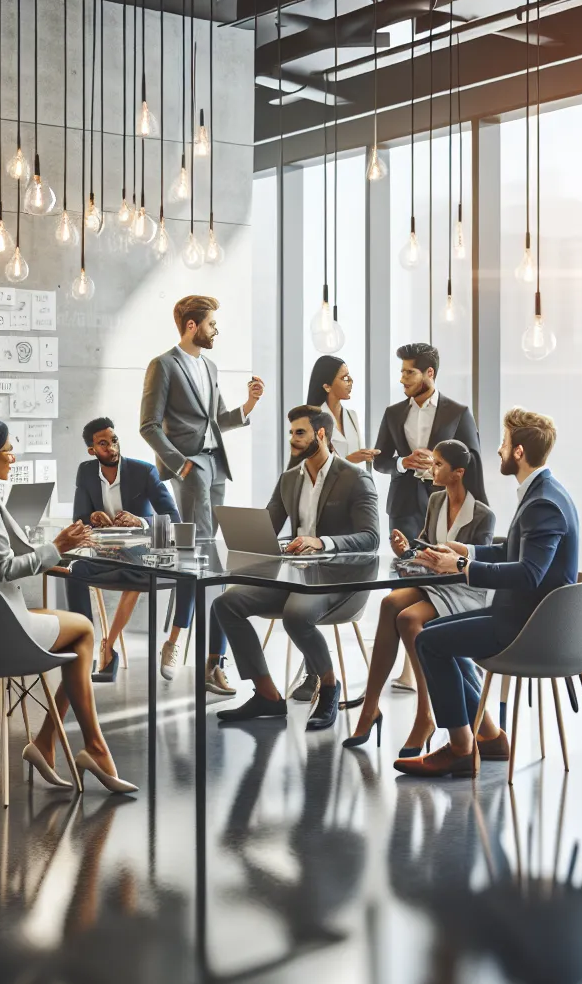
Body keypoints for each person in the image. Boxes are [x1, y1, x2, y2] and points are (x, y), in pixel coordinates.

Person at [0, 415, 136, 794]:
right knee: (85, 630)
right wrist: (58, 548)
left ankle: (48, 744)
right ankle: (88, 747)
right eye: (9, 452)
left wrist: (56, 549)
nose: (13, 458)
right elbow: (6, 568)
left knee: (76, 636)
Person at [394, 408, 579, 778]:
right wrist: (465, 552)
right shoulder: (542, 492)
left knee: (429, 642)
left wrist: (461, 570)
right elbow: (513, 553)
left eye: (505, 443)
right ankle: (490, 737)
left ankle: (462, 750)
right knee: (437, 634)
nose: (498, 450)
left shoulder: (542, 503)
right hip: (527, 617)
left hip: (530, 628)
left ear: (520, 453)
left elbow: (528, 574)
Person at [211, 405, 382, 733]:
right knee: (226, 604)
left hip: (341, 580)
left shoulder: (355, 478)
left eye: (300, 432)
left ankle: (329, 688)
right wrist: (250, 532)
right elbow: (269, 526)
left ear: (321, 434)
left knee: (296, 615)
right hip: (294, 577)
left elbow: (371, 538)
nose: (293, 438)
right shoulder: (289, 479)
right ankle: (267, 696)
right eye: (291, 432)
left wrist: (321, 542)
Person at [340, 439, 495, 754]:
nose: (431, 468)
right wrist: (407, 550)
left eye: (438, 464)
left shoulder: (482, 515)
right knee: (389, 603)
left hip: (466, 590)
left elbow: (476, 567)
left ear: (458, 472)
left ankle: (425, 714)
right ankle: (370, 708)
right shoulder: (436, 501)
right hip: (437, 583)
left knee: (410, 620)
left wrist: (436, 561)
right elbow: (425, 544)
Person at [139, 294, 261, 695]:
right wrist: (181, 465)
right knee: (197, 559)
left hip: (216, 467)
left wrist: (249, 404)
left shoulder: (209, 366)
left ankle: (208, 658)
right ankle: (185, 647)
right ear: (192, 326)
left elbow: (217, 420)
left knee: (213, 563)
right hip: (190, 469)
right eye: (211, 324)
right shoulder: (163, 365)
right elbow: (149, 425)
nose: (215, 330)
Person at [64, 417, 196, 683]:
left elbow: (174, 518)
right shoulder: (86, 472)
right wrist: (93, 517)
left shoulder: (143, 471)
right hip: (106, 553)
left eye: (114, 440)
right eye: (103, 444)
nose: (112, 447)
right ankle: (86, 646)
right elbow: (79, 518)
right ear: (92, 450)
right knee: (74, 570)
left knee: (187, 568)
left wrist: (141, 521)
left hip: (141, 554)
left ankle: (169, 643)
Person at [371, 342, 487, 547]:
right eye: (402, 372)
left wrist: (439, 460)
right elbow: (379, 461)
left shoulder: (457, 413)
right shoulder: (393, 413)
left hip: (447, 504)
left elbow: (473, 459)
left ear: (429, 372)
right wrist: (402, 462)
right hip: (403, 506)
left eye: (409, 373)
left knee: (442, 567)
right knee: (405, 568)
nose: (402, 379)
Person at [306, 356, 378, 465]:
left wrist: (367, 455)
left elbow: (360, 458)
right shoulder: (312, 420)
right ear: (327, 387)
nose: (351, 381)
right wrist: (349, 460)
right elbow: (313, 464)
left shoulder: (352, 416)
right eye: (344, 378)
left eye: (349, 377)